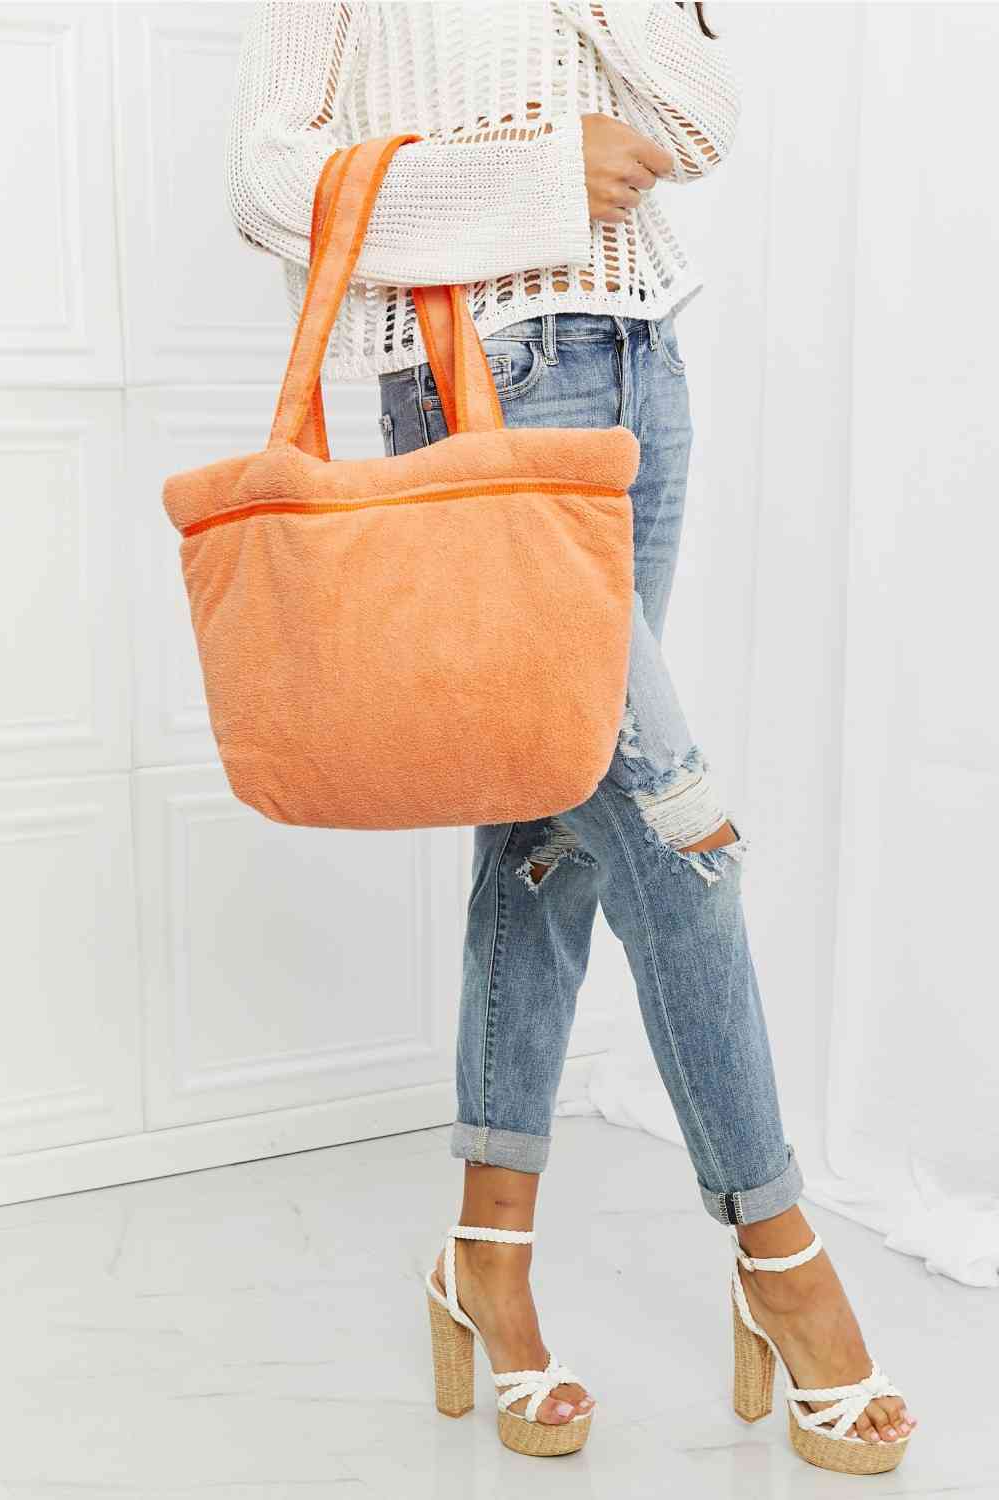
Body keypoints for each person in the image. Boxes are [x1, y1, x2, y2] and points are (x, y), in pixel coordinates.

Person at [227, 0, 916, 1471]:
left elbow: (699, 126)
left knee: (553, 826)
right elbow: (271, 181)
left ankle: (484, 1259)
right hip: (483, 380)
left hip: (643, 369)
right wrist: (538, 180)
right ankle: (784, 1261)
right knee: (680, 833)